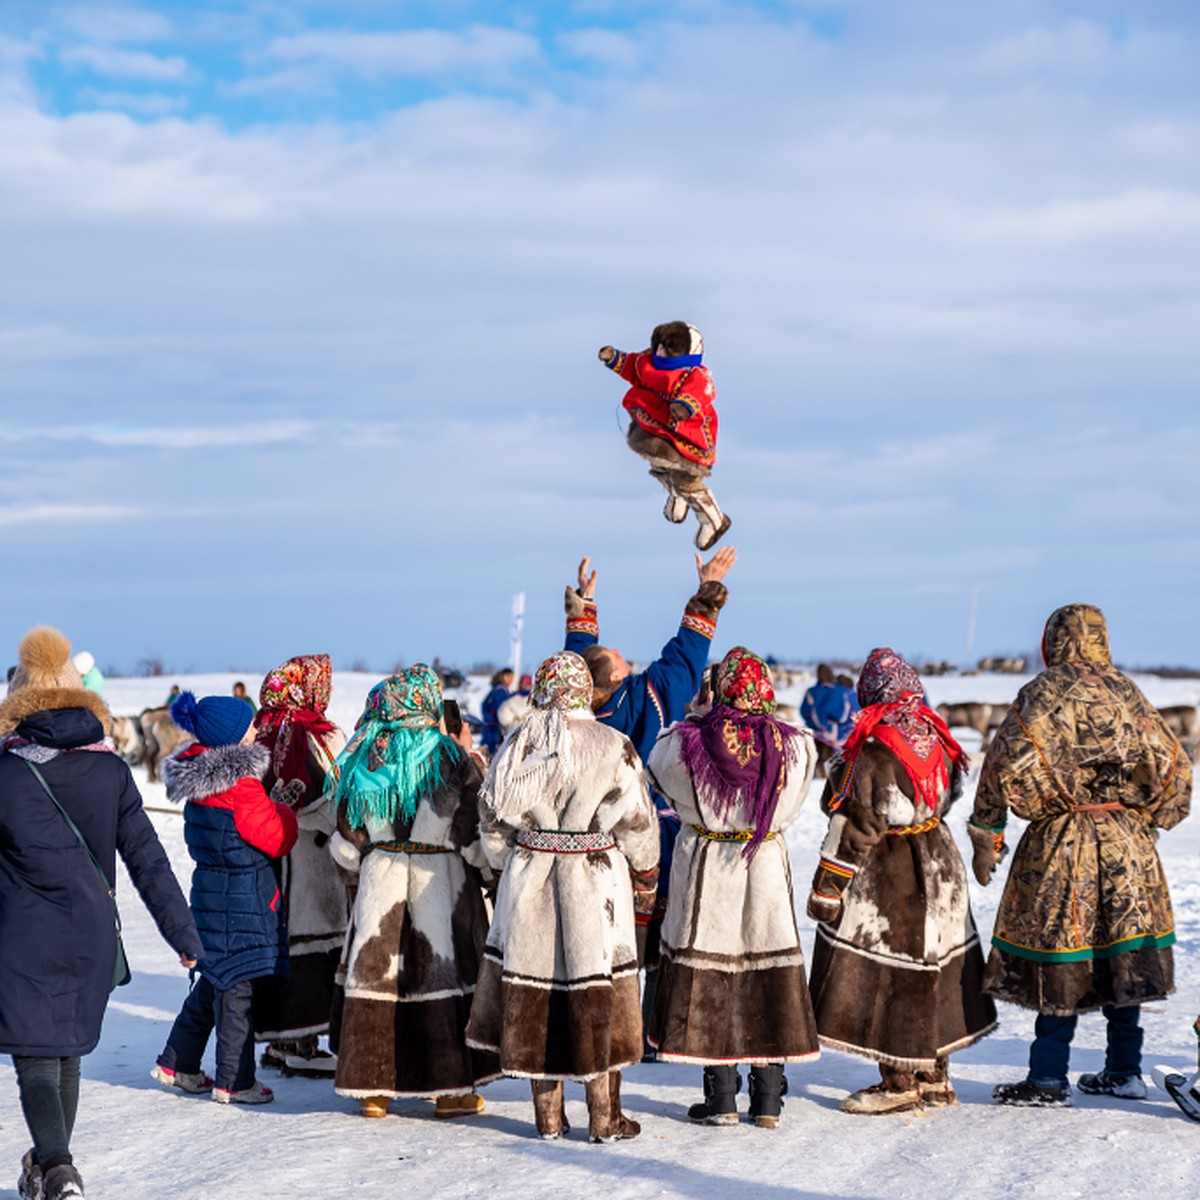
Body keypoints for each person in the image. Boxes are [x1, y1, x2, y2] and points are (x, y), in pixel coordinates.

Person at [1, 627, 201, 1200]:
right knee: (65, 1053)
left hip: (21, 940)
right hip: (91, 937)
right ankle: (47, 1169)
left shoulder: (5, 773)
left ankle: (59, 1168)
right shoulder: (110, 771)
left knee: (38, 1058)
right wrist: (182, 933)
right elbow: (149, 859)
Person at [970, 603, 1193, 1106]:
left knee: (1060, 951)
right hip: (1126, 843)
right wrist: (1151, 816)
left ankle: (1048, 1077)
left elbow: (1001, 762)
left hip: (1062, 843)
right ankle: (1124, 1070)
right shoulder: (1127, 692)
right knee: (1123, 950)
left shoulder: (1041, 693)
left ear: (1053, 640)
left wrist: (989, 832)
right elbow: (1176, 767)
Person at [466, 651, 660, 1142]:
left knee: (537, 991)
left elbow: (490, 824)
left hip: (529, 876)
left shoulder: (517, 745)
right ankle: (605, 1117)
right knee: (601, 991)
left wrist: (505, 862)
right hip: (596, 883)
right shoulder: (612, 744)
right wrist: (645, 871)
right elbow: (638, 820)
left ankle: (548, 1119)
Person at [807, 647, 997, 1114]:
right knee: (938, 967)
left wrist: (828, 887)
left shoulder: (873, 748)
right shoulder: (937, 735)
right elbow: (952, 794)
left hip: (893, 873)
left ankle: (899, 1083)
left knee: (894, 973)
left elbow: (857, 825)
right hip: (940, 859)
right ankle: (935, 1075)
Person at [564, 547, 736, 1057]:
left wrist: (582, 614)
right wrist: (707, 593)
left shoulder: (578, 713)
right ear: (616, 677)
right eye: (618, 658)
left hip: (585, 841)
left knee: (591, 940)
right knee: (652, 937)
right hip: (646, 836)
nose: (626, 658)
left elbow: (578, 670)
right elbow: (685, 656)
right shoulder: (645, 700)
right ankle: (650, 1032)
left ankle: (589, 1029)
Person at [647, 647, 820, 1128]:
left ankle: (720, 1097)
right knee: (767, 974)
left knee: (712, 975)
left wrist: (697, 716)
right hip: (763, 862)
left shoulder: (686, 743)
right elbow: (797, 799)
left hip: (709, 865)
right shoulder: (795, 745)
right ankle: (768, 1100)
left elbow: (660, 774)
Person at [328, 666, 497, 1119]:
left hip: (380, 880)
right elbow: (472, 835)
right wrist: (487, 872)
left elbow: (345, 846)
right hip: (438, 883)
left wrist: (370, 860)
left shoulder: (366, 759)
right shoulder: (449, 758)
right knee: (439, 979)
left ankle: (374, 1090)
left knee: (380, 982)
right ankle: (451, 1091)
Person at [153, 691, 298, 1105]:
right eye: (251, 727)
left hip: (211, 895)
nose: (258, 733)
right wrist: (284, 813)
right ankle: (235, 1081)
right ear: (232, 738)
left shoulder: (199, 779)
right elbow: (275, 838)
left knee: (211, 982)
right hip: (243, 900)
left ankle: (177, 1063)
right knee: (237, 989)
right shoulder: (242, 785)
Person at [251, 654, 349, 1078]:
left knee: (284, 942)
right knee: (315, 942)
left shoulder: (256, 733)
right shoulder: (317, 735)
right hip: (312, 856)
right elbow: (335, 793)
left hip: (268, 854)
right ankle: (303, 1041)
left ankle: (279, 1038)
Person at [598, 321, 730, 550]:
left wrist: (683, 406)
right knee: (660, 466)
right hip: (657, 427)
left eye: (669, 348)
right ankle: (677, 495)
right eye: (659, 346)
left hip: (686, 432)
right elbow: (632, 366)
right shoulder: (647, 362)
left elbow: (700, 393)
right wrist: (613, 358)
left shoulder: (694, 375)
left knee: (686, 477)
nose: (660, 352)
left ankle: (712, 518)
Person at [800, 664, 851, 776]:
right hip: (834, 732)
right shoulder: (840, 691)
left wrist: (812, 720)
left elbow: (804, 711)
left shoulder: (812, 691)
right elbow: (843, 714)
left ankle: (815, 775)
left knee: (814, 758)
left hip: (814, 732)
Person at [479, 668, 514, 755]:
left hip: (489, 726)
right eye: (511, 677)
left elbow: (484, 705)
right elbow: (502, 709)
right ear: (505, 677)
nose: (512, 681)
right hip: (494, 729)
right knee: (492, 753)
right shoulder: (501, 691)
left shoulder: (496, 688)